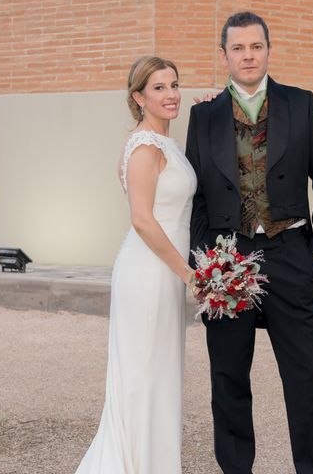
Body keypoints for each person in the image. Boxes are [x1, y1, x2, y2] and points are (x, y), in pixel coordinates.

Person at [186, 11, 313, 474]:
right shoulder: (203, 115)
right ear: (224, 55)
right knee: (228, 377)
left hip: (291, 253)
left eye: (255, 47)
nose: (248, 56)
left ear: (268, 50)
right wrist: (206, 260)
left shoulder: (301, 103)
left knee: (305, 377)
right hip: (228, 259)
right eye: (238, 48)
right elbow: (196, 196)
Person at [75, 56, 196, 474]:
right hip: (149, 273)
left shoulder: (162, 141)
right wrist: (187, 273)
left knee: (158, 376)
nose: (171, 95)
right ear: (138, 97)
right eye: (159, 88)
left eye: (174, 85)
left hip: (164, 271)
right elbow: (143, 219)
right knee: (145, 376)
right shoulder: (145, 147)